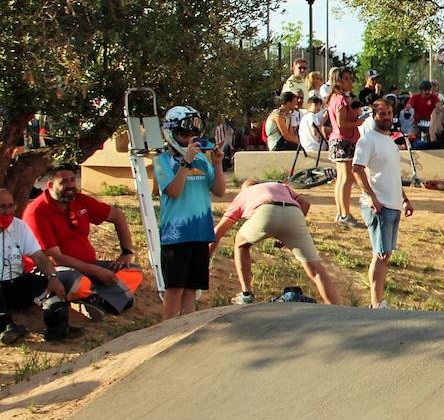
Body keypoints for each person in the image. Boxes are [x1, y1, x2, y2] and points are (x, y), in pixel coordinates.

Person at [23, 162, 141, 320]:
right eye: (64, 182)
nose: (71, 185)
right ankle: (107, 298)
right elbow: (54, 258)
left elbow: (117, 215)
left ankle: (97, 300)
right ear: (50, 185)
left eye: (73, 180)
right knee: (77, 281)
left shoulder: (79, 200)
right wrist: (96, 271)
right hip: (53, 270)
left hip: (88, 265)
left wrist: (126, 252)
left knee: (134, 271)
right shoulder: (36, 212)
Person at [213, 180, 339, 306]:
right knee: (316, 269)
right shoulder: (280, 186)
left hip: (265, 212)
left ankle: (247, 295)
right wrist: (287, 232)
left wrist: (204, 258)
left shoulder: (243, 195)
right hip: (294, 213)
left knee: (240, 243)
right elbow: (305, 203)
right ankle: (336, 308)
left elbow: (218, 231)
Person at [154, 106, 226, 321]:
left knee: (191, 289)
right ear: (171, 133)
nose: (189, 139)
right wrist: (185, 162)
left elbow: (219, 191)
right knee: (174, 287)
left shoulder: (202, 160)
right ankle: (167, 332)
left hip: (200, 232)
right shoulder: (162, 162)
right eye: (184, 135)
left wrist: (217, 164)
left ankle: (187, 330)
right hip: (176, 234)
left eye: (193, 135)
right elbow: (174, 192)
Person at [350, 99, 414, 309]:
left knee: (386, 254)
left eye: (388, 113)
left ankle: (378, 301)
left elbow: (393, 175)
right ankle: (376, 303)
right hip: (379, 206)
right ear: (374, 116)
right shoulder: (368, 140)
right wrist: (372, 198)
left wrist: (404, 199)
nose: (386, 117)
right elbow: (357, 169)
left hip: (393, 204)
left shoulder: (391, 142)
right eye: (381, 114)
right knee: (380, 254)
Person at [0, 188, 73, 343]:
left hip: (15, 284)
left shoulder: (20, 227)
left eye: (10, 206)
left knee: (47, 284)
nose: (7, 211)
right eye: (2, 207)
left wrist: (53, 277)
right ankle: (6, 328)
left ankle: (58, 328)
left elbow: (39, 256)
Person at [326, 69, 365, 228]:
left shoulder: (334, 98)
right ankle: (344, 214)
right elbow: (342, 124)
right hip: (344, 141)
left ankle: (341, 213)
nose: (350, 82)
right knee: (346, 179)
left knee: (342, 179)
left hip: (338, 141)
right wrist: (358, 122)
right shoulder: (341, 100)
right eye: (347, 79)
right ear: (339, 81)